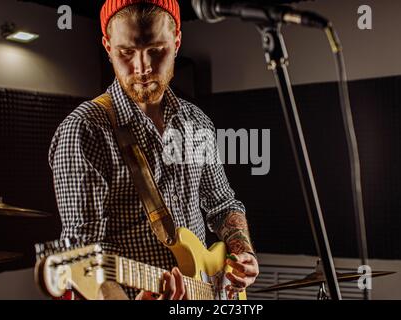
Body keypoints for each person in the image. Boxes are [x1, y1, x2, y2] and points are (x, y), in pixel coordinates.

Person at [48, 0, 258, 300]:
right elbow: (85, 261)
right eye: (126, 52)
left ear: (177, 41)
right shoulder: (84, 130)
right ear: (107, 47)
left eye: (156, 50)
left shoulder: (196, 121)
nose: (142, 67)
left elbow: (223, 204)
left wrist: (243, 253)